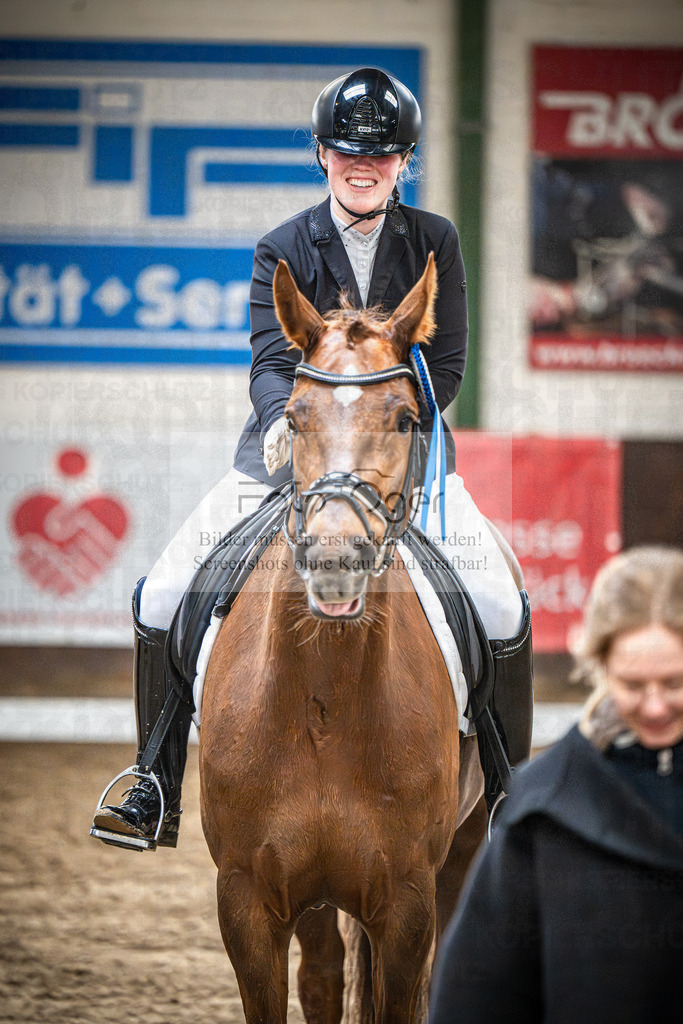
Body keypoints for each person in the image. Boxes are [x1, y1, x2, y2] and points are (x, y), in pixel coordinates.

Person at [90, 67, 532, 851]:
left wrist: (382, 430)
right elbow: (270, 358)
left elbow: (448, 364)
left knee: (500, 605)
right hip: (283, 454)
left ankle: (507, 796)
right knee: (162, 593)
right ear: (322, 155)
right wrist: (279, 422)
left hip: (405, 462)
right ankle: (153, 781)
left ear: (403, 162)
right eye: (347, 153)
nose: (363, 167)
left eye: (381, 155)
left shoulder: (434, 240)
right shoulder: (284, 246)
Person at [429, 545, 683, 1023]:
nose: (654, 707)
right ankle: (506, 791)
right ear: (601, 667)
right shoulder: (548, 809)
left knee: (498, 603)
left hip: (439, 509)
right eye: (633, 685)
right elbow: (479, 996)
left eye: (673, 684)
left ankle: (496, 770)